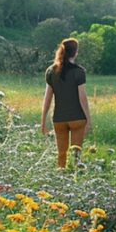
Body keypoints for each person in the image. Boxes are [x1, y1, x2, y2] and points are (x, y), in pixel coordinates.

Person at [40, 38, 91, 168]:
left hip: (59, 118)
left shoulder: (51, 71)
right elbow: (82, 98)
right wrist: (88, 120)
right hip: (77, 118)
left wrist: (43, 120)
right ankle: (74, 179)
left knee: (61, 154)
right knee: (76, 154)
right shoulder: (79, 72)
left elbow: (47, 98)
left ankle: (61, 178)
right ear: (75, 52)